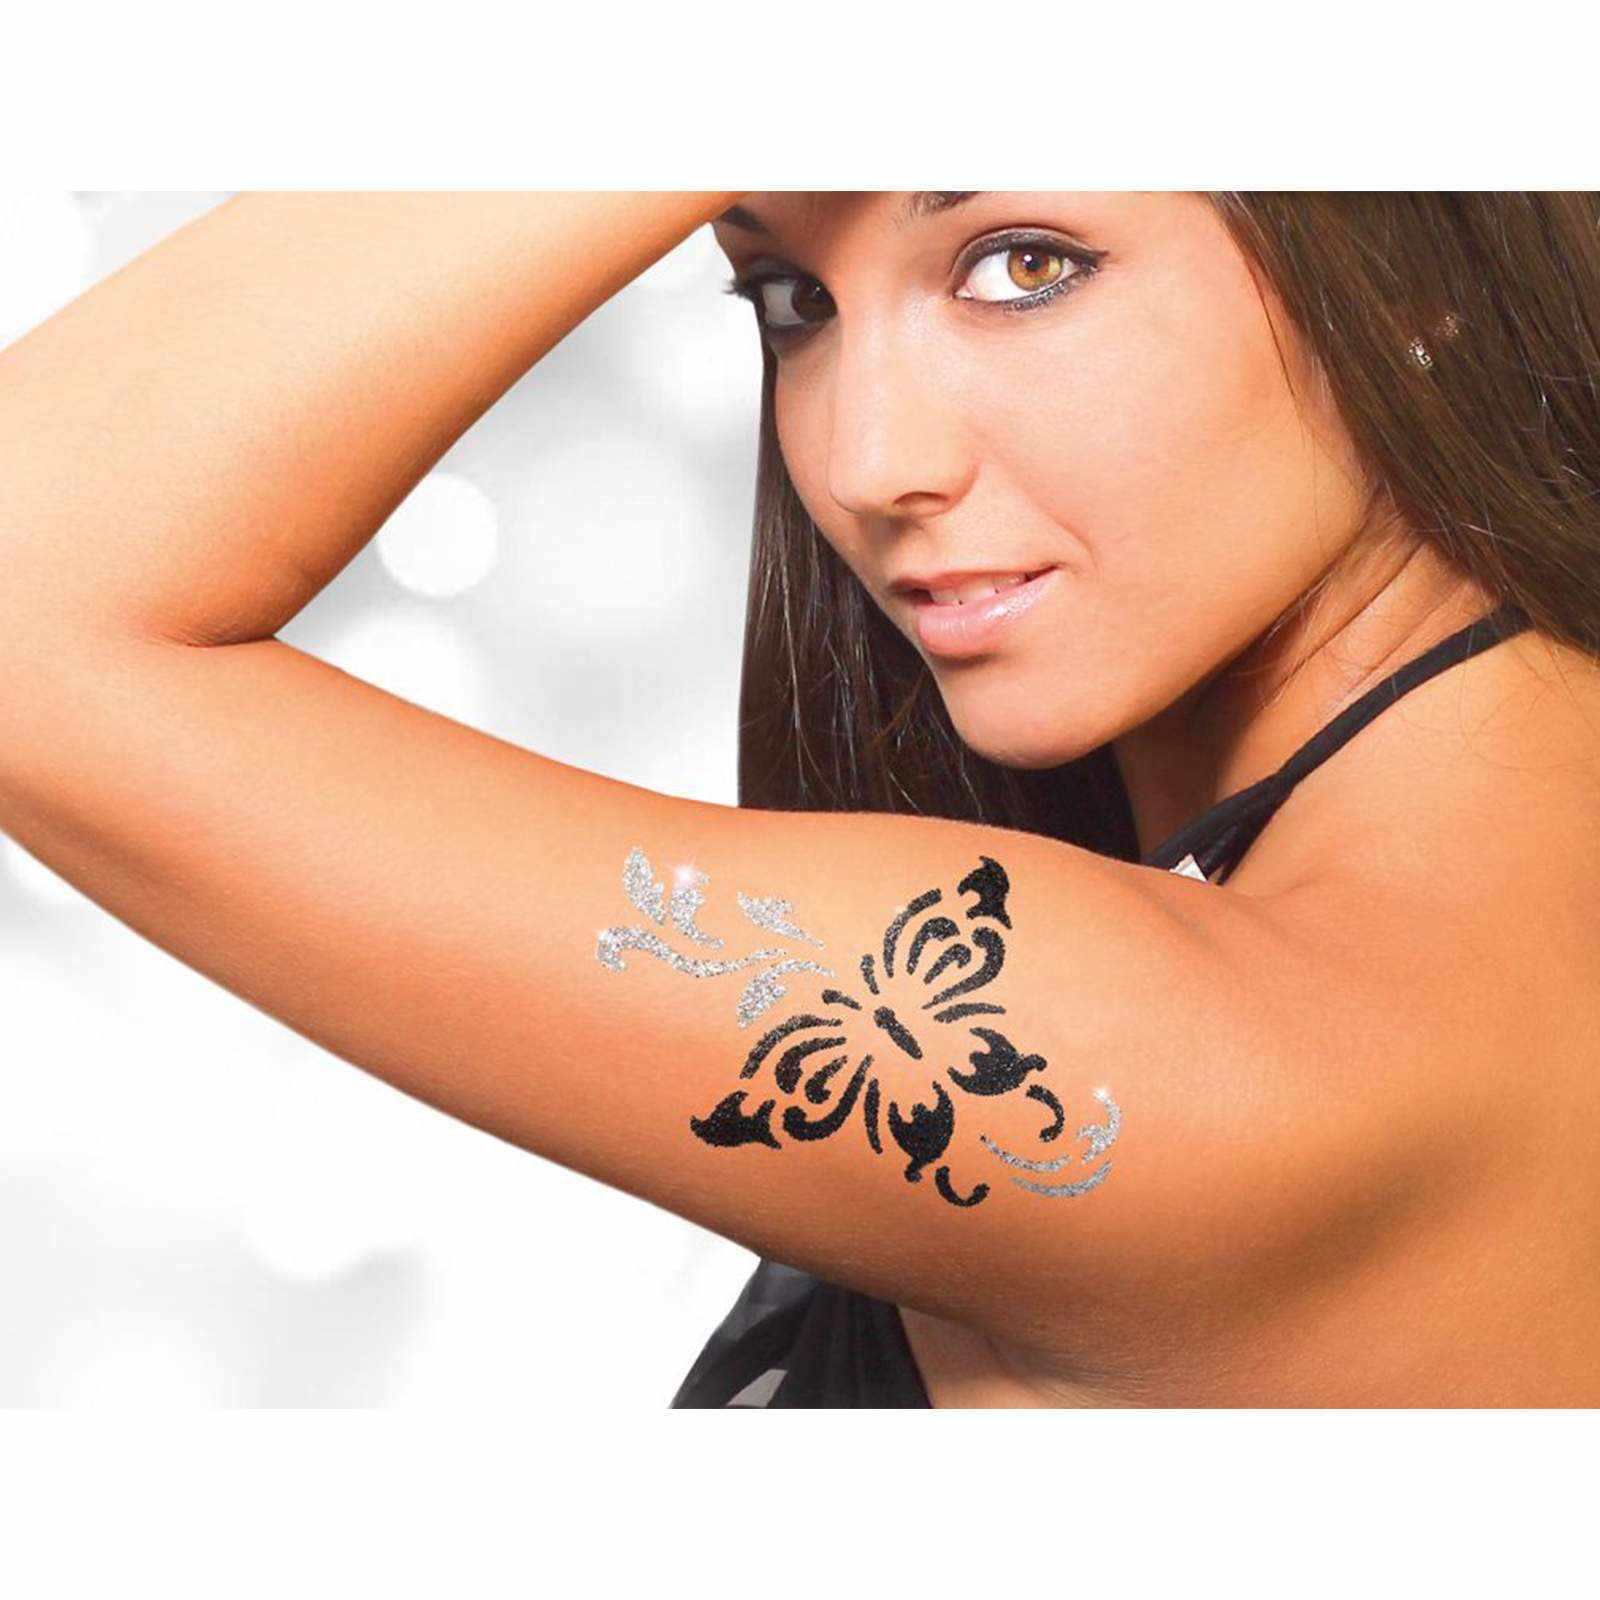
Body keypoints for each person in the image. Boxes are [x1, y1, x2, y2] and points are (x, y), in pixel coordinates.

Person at [0, 191, 1596, 1408]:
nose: (867, 460)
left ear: (1415, 260)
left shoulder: (1217, 1064)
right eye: (791, 300)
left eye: (1023, 265)